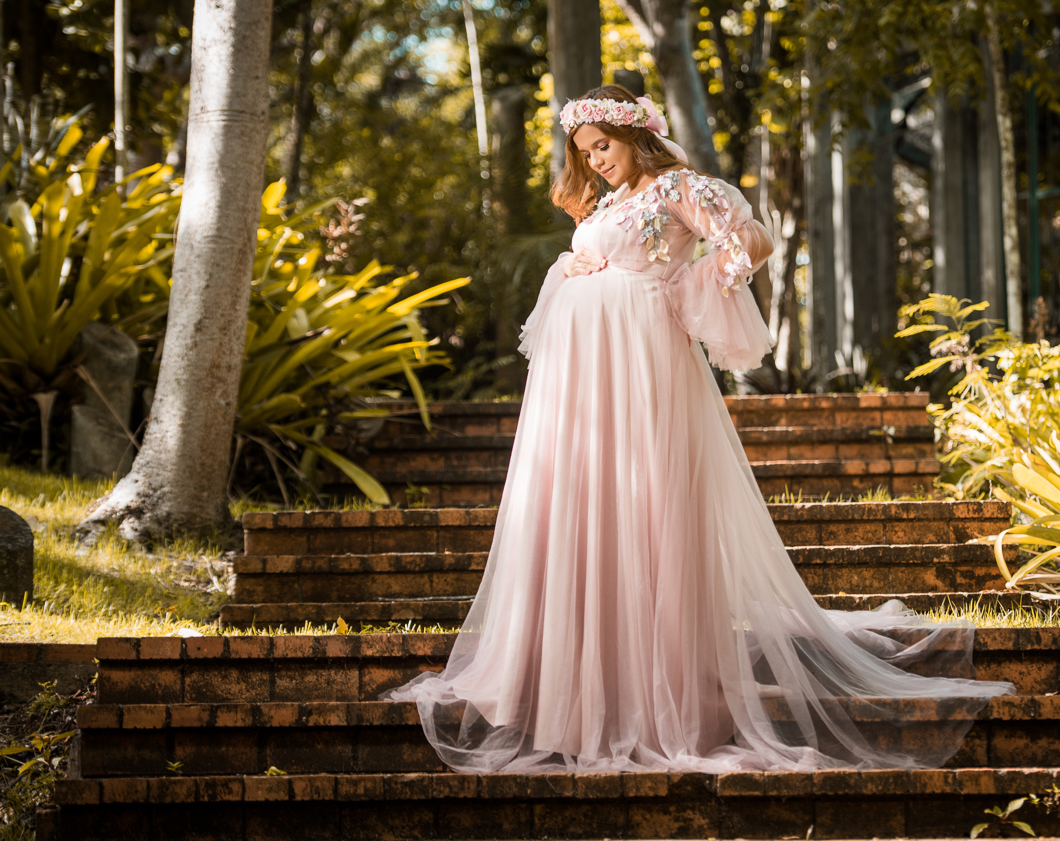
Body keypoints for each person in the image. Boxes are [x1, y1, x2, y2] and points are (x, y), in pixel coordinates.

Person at [386, 85, 1014, 772]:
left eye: (604, 145)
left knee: (649, 505)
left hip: (642, 363)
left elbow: (752, 241)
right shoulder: (611, 201)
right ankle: (573, 681)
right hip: (585, 376)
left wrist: (683, 287)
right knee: (591, 506)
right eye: (586, 151)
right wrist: (574, 265)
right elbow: (600, 259)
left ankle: (658, 696)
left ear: (635, 136)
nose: (596, 161)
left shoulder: (676, 186)